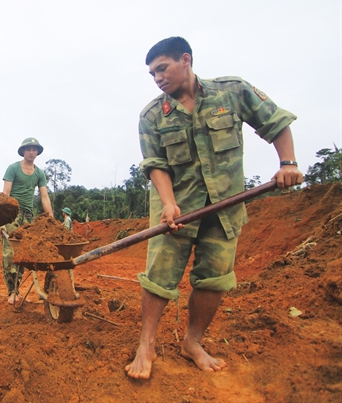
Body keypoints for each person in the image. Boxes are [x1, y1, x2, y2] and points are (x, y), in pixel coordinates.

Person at [126, 37, 303, 380]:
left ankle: (193, 342)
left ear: (186, 60)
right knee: (159, 277)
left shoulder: (232, 92)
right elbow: (155, 165)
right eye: (151, 74)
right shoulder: (152, 115)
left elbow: (275, 123)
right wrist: (169, 204)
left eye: (162, 68)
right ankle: (146, 343)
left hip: (225, 206)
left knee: (214, 279)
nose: (157, 78)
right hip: (174, 209)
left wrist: (288, 162)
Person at [2, 137, 54, 304]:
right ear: (23, 151)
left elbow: (44, 197)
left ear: (37, 152)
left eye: (34, 149)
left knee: (24, 253)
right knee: (11, 252)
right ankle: (12, 292)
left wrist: (51, 219)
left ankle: (17, 291)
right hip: (12, 214)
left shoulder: (39, 173)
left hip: (28, 217)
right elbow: (6, 194)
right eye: (28, 149)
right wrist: (3, 218)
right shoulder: (13, 168)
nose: (32, 152)